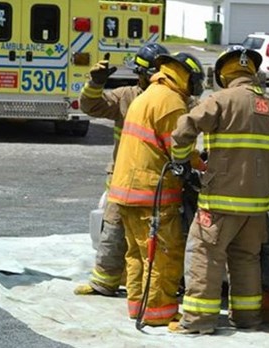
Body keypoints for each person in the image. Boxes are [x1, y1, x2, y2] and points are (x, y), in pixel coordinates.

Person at [169, 45, 269, 335]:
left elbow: (183, 128)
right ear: (252, 71)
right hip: (258, 205)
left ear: (224, 73)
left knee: (205, 256)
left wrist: (181, 159)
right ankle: (247, 318)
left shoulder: (221, 100)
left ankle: (198, 322)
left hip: (220, 202)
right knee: (246, 259)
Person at [107, 51, 205, 327]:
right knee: (163, 254)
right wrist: (202, 165)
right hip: (151, 194)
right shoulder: (171, 102)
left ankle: (138, 307)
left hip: (125, 191)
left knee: (137, 254)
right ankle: (158, 313)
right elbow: (179, 148)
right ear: (186, 78)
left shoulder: (148, 95)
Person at [74, 42, 170, 297]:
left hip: (157, 180)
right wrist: (95, 84)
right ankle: (104, 282)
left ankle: (149, 287)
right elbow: (90, 106)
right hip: (122, 177)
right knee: (113, 229)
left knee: (154, 235)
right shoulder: (126, 96)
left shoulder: (173, 99)